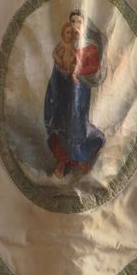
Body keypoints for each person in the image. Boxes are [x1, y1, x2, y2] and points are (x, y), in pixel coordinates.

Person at [44, 10, 106, 179]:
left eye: (79, 22)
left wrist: (77, 73)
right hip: (63, 88)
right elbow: (59, 62)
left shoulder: (89, 44)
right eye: (73, 22)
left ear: (84, 25)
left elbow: (94, 68)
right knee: (61, 121)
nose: (75, 26)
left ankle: (82, 157)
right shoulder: (67, 41)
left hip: (80, 88)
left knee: (76, 123)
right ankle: (63, 161)